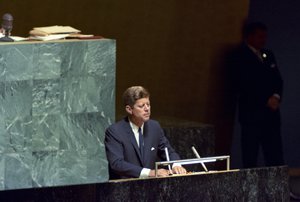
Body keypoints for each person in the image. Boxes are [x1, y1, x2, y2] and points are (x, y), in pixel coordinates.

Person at [232, 22, 284, 168]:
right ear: (249, 36)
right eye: (260, 36)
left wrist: (276, 96)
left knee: (275, 156)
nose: (263, 40)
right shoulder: (240, 56)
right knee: (250, 156)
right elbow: (243, 85)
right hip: (252, 116)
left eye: (265, 36)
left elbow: (278, 80)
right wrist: (265, 100)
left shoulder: (268, 55)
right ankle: (250, 190)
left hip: (271, 116)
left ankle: (279, 190)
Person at [105, 86, 186, 179]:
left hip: (149, 188)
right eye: (141, 106)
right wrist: (150, 173)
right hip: (124, 188)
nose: (147, 109)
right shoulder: (115, 131)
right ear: (129, 109)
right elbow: (117, 163)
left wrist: (175, 165)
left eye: (148, 104)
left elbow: (168, 151)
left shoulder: (154, 127)